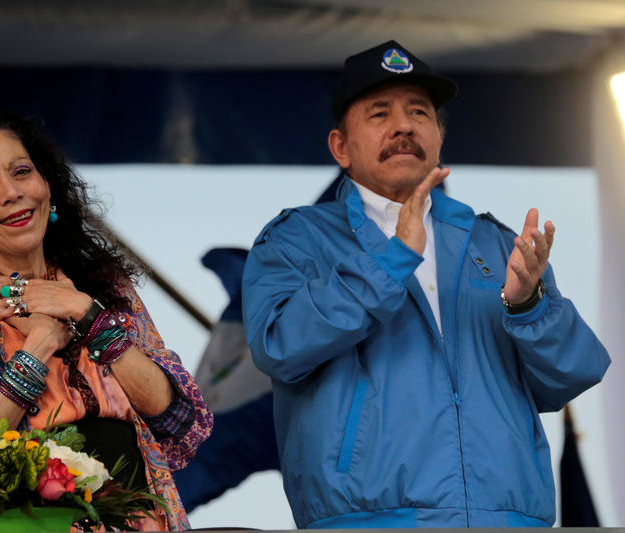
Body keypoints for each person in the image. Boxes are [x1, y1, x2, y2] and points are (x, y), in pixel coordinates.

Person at [242, 40, 610, 528]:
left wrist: (529, 307)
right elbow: (278, 346)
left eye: (420, 112)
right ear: (340, 147)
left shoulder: (495, 243)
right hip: (370, 521)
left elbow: (572, 375)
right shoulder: (296, 240)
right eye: (379, 114)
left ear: (438, 137)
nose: (403, 126)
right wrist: (392, 261)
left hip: (509, 521)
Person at [0, 111, 213, 531]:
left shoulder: (105, 288)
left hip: (143, 519)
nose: (11, 193)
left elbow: (176, 417)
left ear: (47, 186)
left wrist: (84, 313)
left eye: (22, 172)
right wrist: (38, 345)